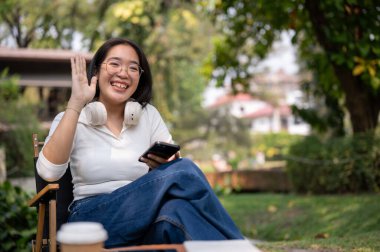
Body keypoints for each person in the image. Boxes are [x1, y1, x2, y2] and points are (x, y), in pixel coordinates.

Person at [37, 37, 244, 248]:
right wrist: (75, 104)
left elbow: (173, 165)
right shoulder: (72, 118)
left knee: (177, 211)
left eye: (133, 68)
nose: (124, 73)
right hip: (91, 218)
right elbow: (48, 172)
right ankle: (240, 245)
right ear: (97, 72)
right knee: (184, 171)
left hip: (143, 219)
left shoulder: (148, 115)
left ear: (139, 77)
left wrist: (166, 165)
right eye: (115, 64)